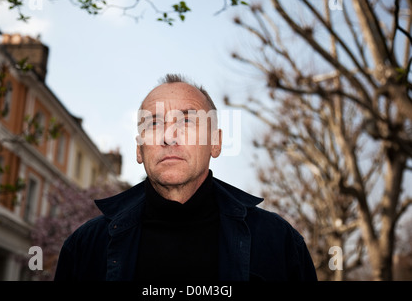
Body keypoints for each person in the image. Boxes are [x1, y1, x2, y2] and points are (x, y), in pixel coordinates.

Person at [53, 74, 317, 281]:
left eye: (188, 122)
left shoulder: (278, 242)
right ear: (139, 149)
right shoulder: (86, 247)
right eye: (154, 124)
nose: (169, 136)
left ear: (216, 142)